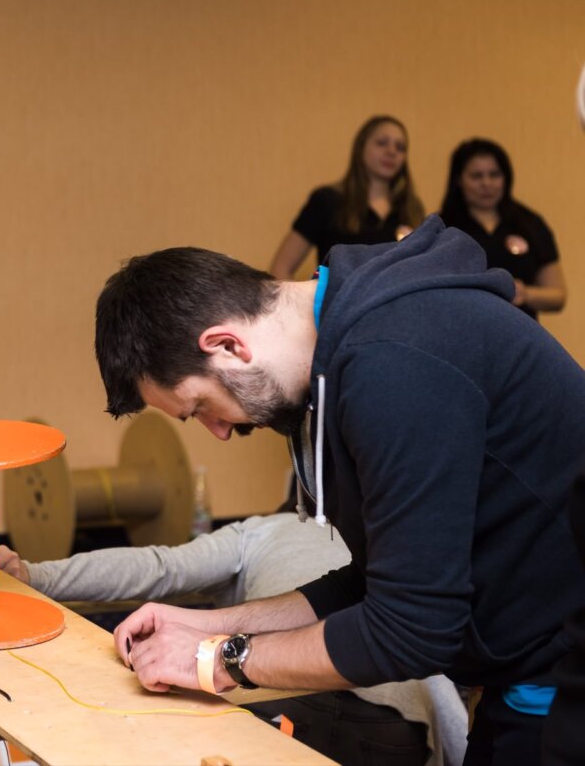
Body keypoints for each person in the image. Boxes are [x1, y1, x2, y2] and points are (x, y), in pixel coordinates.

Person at [93, 216, 585, 764]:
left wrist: (218, 660)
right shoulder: (353, 350)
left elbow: (409, 631)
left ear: (227, 345)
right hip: (529, 671)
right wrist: (211, 623)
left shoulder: (394, 359)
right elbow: (381, 584)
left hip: (561, 675)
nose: (220, 431)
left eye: (200, 407)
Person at [0, 513, 468, 766]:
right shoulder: (381, 543)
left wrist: (37, 576)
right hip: (401, 720)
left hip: (284, 697)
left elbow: (158, 568)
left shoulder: (258, 531)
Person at [269, 115, 425, 279]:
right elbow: (281, 268)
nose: (392, 151)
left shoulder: (411, 209)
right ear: (361, 147)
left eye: (400, 147)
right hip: (340, 304)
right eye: (382, 143)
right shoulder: (326, 201)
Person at [439, 138, 566, 319]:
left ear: (506, 177)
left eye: (494, 174)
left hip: (521, 333)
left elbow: (558, 295)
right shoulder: (442, 227)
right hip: (461, 330)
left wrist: (526, 293)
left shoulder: (529, 223)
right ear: (459, 180)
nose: (486, 183)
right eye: (476, 176)